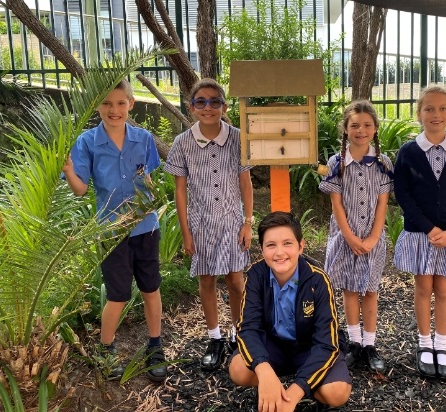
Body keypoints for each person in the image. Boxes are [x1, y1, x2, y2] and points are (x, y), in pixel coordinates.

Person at [62, 79, 167, 382]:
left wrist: (151, 192)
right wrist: (69, 170)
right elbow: (81, 190)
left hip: (146, 228)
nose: (114, 109)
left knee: (151, 289)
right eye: (107, 103)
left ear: (131, 104)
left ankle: (155, 346)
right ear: (98, 105)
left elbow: (149, 178)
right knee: (118, 295)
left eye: (121, 103)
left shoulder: (144, 139)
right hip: (111, 231)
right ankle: (106, 349)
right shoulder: (87, 142)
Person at [164, 78, 253, 372]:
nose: (208, 107)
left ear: (224, 106)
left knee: (236, 280)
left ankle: (240, 334)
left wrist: (247, 222)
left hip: (231, 221)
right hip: (201, 223)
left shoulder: (238, 138)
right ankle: (214, 338)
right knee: (206, 280)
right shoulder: (182, 143)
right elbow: (180, 190)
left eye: (215, 101)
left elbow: (245, 181)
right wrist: (186, 231)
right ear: (191, 108)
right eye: (201, 102)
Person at [229, 212, 352, 412]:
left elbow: (327, 343)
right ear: (261, 250)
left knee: (337, 393)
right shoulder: (255, 276)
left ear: (300, 246)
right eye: (271, 245)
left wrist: (296, 391)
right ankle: (271, 384)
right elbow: (248, 328)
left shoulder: (318, 280)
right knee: (238, 369)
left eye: (287, 243)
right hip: (273, 347)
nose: (279, 253)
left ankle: (301, 383)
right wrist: (264, 370)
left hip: (308, 348)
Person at [393, 84, 446, 380]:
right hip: (420, 234)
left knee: (443, 289)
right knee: (423, 288)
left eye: (442, 108)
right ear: (419, 113)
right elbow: (402, 194)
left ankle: (441, 345)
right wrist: (429, 228)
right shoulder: (408, 152)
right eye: (429, 109)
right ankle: (424, 343)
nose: (436, 114)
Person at [318, 100, 393, 374]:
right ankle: (354, 342)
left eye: (367, 125)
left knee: (370, 290)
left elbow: (383, 204)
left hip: (372, 238)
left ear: (375, 129)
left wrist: (373, 238)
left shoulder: (383, 163)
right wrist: (349, 236)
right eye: (354, 125)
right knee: (350, 288)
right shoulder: (336, 163)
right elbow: (336, 204)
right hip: (345, 236)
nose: (360, 130)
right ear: (346, 129)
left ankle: (370, 344)